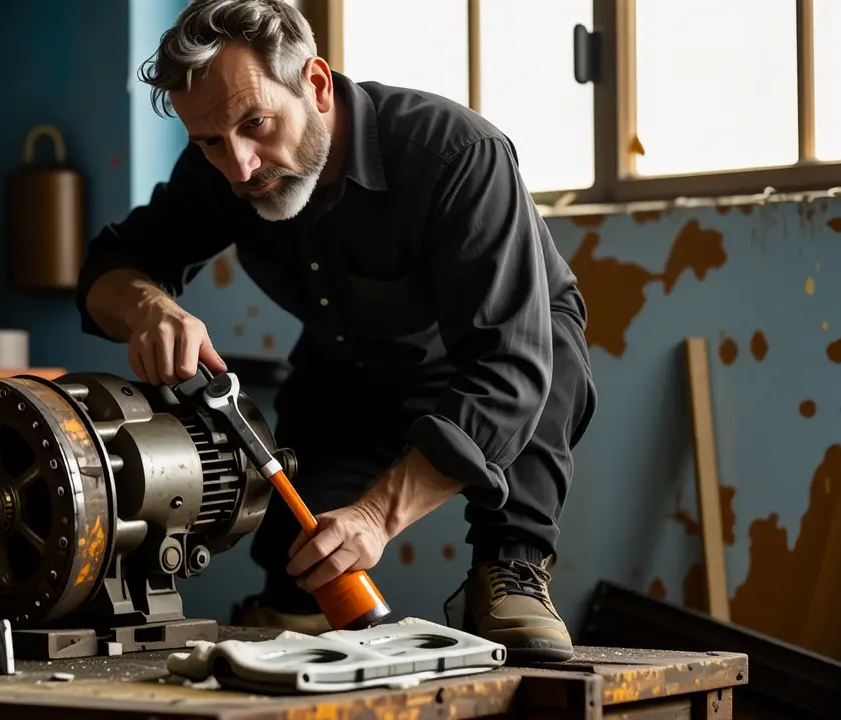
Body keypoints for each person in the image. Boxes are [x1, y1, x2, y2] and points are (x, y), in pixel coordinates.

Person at [74, 0, 597, 663]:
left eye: (256, 124)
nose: (240, 166)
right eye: (209, 142)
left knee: (543, 363)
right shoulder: (223, 165)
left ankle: (512, 567)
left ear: (316, 85)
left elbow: (509, 366)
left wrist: (378, 514)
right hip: (350, 365)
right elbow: (109, 268)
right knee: (304, 568)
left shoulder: (457, 155)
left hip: (503, 360)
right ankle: (300, 597)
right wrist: (149, 305)